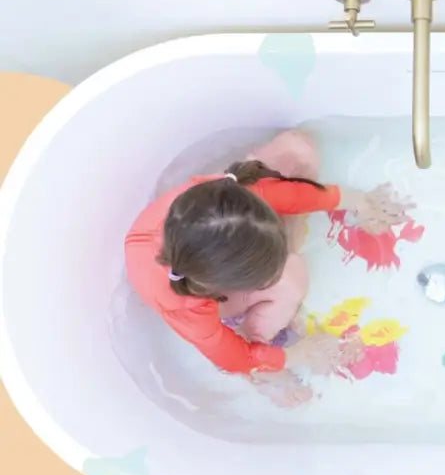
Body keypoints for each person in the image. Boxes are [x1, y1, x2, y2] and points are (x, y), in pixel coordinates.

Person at [124, 129, 409, 379]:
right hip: (193, 288)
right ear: (230, 285)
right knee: (292, 276)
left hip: (203, 246)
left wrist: (358, 201)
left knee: (298, 148)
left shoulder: (219, 204)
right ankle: (258, 334)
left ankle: (281, 243)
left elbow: (286, 195)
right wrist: (297, 355)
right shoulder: (191, 310)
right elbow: (234, 360)